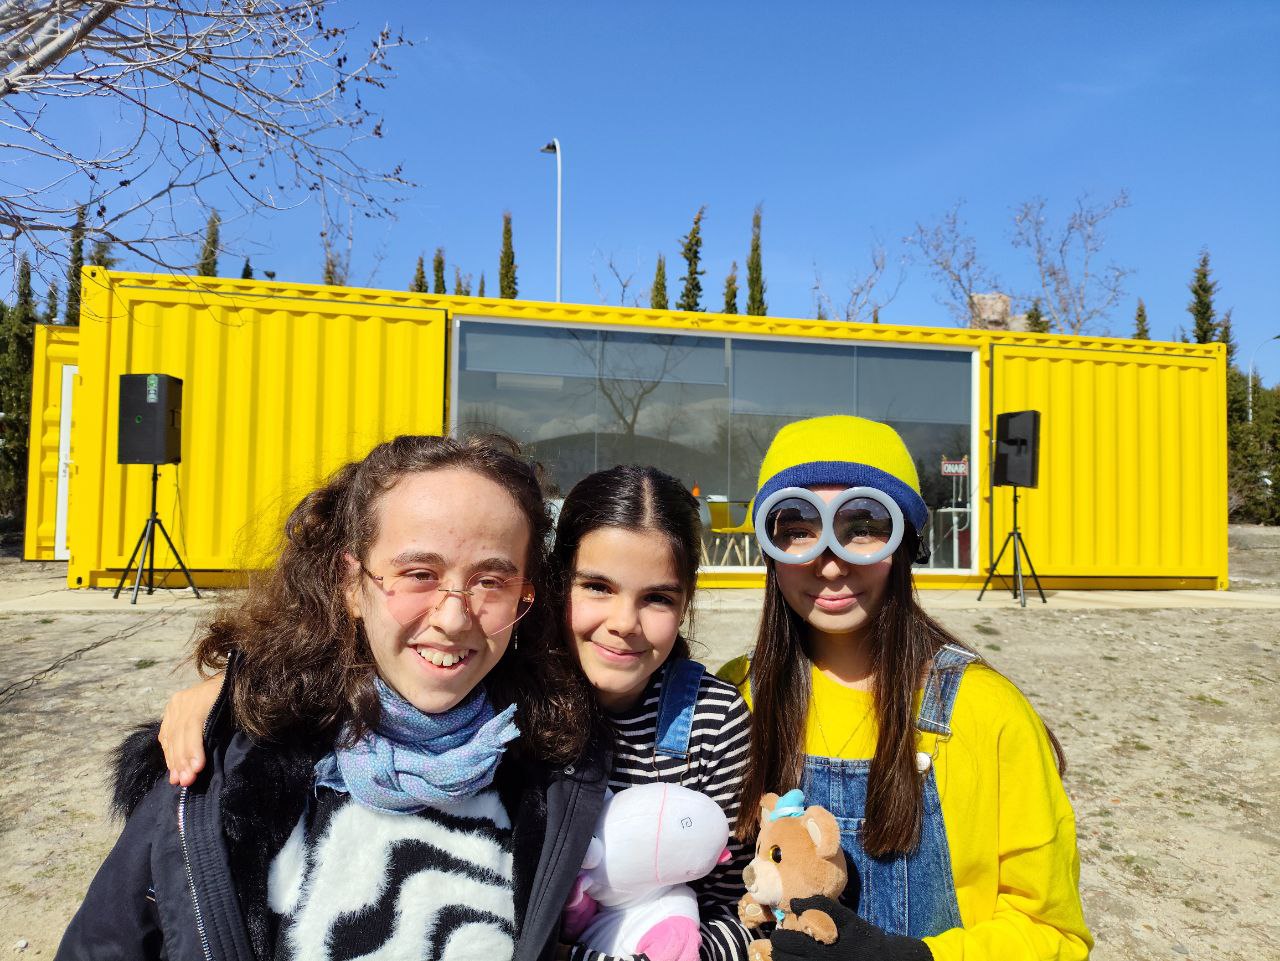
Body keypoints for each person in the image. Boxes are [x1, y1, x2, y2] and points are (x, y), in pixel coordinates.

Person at [154, 463, 755, 961]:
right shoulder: (506, 686)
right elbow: (363, 656)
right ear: (548, 587)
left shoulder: (711, 720)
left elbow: (736, 904)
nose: (624, 623)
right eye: (596, 587)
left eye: (657, 598)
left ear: (686, 604)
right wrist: (232, 687)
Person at [57, 434, 609, 961]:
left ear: (527, 596)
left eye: (490, 581)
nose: (453, 617)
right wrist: (233, 693)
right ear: (351, 584)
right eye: (418, 574)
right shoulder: (224, 770)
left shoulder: (552, 773)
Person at [718, 415, 1092, 961]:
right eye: (798, 529)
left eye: (862, 526)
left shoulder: (984, 710)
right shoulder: (736, 696)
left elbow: (1053, 934)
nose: (830, 565)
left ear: (906, 543)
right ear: (770, 553)